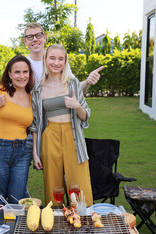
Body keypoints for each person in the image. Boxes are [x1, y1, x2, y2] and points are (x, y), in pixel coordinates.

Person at [30, 44, 93, 206]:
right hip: (50, 136)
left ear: (65, 62)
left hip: (73, 136)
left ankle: (82, 220)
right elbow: (36, 123)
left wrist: (76, 106)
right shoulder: (38, 88)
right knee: (53, 186)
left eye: (61, 59)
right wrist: (35, 153)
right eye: (52, 58)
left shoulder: (72, 83)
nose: (56, 62)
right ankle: (56, 223)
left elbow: (85, 115)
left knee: (79, 185)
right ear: (45, 60)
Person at [0, 55, 34, 205]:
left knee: (18, 201)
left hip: (22, 153)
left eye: (25, 72)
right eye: (17, 72)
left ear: (30, 73)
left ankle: (14, 228)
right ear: (9, 74)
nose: (22, 76)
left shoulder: (31, 97)